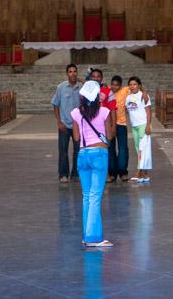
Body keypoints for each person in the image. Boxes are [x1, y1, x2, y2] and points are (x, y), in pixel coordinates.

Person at [71, 80, 113, 248]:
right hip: (99, 154)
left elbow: (76, 138)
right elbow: (109, 136)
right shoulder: (104, 111)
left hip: (82, 154)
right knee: (95, 196)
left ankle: (87, 234)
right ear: (97, 97)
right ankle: (94, 238)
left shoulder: (75, 113)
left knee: (86, 196)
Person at [51, 63, 81, 183]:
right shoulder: (61, 87)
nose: (72, 74)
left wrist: (81, 81)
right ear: (66, 73)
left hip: (78, 126)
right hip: (64, 124)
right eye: (70, 71)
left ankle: (75, 174)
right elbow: (56, 104)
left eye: (74, 71)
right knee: (63, 151)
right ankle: (63, 174)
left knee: (78, 150)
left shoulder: (82, 87)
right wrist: (59, 122)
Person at [125, 76, 152, 183]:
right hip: (134, 126)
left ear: (139, 85)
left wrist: (148, 125)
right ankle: (145, 174)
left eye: (135, 84)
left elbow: (149, 111)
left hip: (143, 125)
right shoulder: (128, 97)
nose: (132, 86)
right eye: (130, 84)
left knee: (142, 149)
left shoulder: (143, 95)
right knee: (138, 149)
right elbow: (128, 111)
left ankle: (138, 171)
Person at [109, 75, 130, 182]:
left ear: (121, 85)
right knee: (110, 149)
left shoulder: (125, 90)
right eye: (113, 84)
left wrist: (144, 92)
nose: (114, 87)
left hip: (121, 124)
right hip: (109, 124)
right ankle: (112, 172)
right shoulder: (107, 91)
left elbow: (138, 87)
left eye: (117, 85)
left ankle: (122, 172)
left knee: (123, 149)